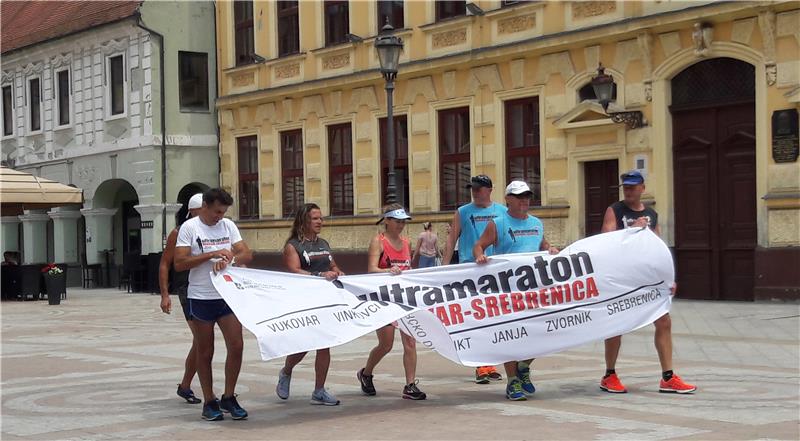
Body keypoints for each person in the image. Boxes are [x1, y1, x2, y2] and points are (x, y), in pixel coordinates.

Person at [599, 170, 696, 394]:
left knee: (663, 322)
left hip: (647, 279)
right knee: (616, 324)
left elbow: (658, 249)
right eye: (626, 187)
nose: (629, 191)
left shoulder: (652, 214)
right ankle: (609, 374)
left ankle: (668, 377)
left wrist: (668, 279)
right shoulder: (615, 210)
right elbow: (605, 240)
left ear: (643, 188)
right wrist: (631, 230)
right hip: (621, 278)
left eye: (633, 187)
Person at [473, 181, 559, 401]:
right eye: (519, 196)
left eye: (527, 196)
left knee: (544, 333)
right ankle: (512, 381)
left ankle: (523, 366)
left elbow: (542, 244)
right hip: (507, 291)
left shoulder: (537, 223)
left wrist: (549, 249)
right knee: (511, 337)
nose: (524, 200)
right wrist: (479, 256)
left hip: (536, 288)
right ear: (508, 199)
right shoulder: (498, 223)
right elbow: (478, 245)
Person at [174, 188, 253, 421]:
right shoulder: (190, 228)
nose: (220, 216)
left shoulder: (228, 226)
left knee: (236, 345)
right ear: (205, 206)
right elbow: (179, 263)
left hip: (226, 295)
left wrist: (231, 258)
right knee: (205, 350)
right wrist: (210, 256)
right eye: (217, 212)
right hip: (201, 297)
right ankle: (209, 401)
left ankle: (228, 396)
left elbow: (247, 253)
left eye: (223, 212)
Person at [277, 203, 344, 406]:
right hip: (304, 300)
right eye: (315, 218)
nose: (320, 222)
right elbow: (294, 271)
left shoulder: (323, 243)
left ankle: (319, 390)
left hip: (325, 300)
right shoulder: (293, 245)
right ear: (304, 221)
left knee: (324, 345)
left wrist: (338, 271)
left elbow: (332, 265)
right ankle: (286, 371)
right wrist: (319, 275)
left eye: (321, 218)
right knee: (304, 344)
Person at [357, 204, 426, 401]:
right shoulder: (378, 241)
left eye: (403, 221)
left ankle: (410, 385)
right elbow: (371, 270)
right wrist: (388, 271)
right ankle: (366, 373)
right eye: (397, 221)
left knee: (410, 342)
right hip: (384, 300)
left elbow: (408, 268)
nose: (401, 225)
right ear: (386, 221)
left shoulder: (406, 243)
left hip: (403, 298)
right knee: (385, 345)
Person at [443, 174, 507, 384]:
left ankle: (489, 361)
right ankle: (480, 364)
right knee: (477, 317)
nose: (475, 192)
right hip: (469, 270)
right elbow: (452, 238)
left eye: (479, 189)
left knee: (494, 318)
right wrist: (443, 269)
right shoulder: (462, 212)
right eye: (473, 188)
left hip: (495, 270)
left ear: (489, 189)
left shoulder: (501, 211)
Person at [159, 193, 203, 405]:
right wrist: (165, 295)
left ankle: (185, 386)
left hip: (207, 288)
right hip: (187, 288)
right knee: (202, 340)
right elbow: (164, 263)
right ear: (192, 211)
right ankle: (191, 387)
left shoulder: (211, 229)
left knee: (201, 341)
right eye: (202, 210)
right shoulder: (178, 233)